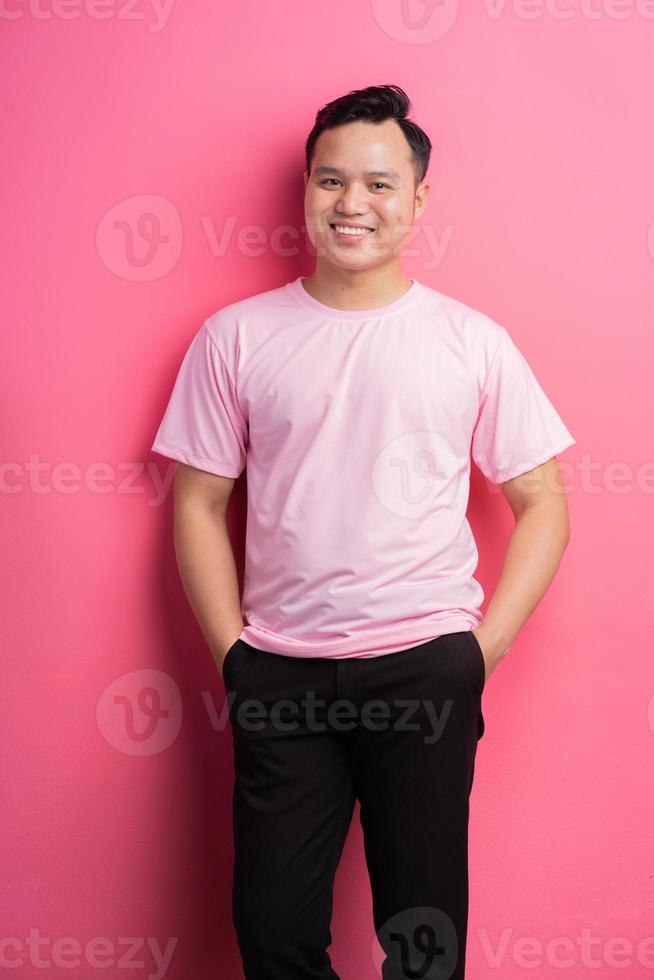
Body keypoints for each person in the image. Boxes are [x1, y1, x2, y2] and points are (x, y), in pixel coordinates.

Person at [150, 84, 575, 980]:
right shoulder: (236, 337)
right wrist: (236, 657)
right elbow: (197, 502)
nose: (353, 205)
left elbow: (544, 502)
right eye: (330, 181)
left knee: (425, 947)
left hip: (426, 665)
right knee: (271, 934)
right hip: (281, 673)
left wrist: (476, 654)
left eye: (380, 185)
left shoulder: (471, 341)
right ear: (305, 189)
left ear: (419, 199)